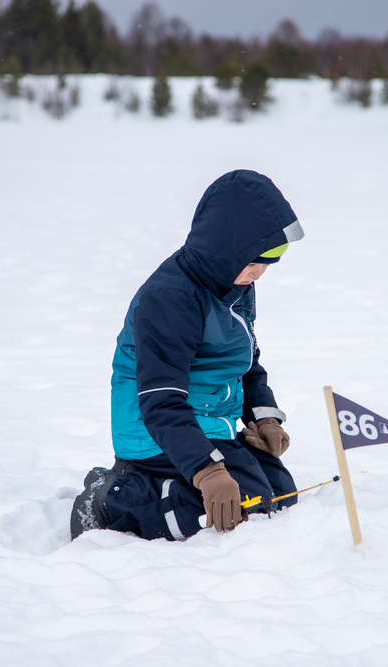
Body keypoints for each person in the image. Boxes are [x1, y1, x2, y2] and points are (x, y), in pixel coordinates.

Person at [70, 170, 304, 541]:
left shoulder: (233, 284)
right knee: (244, 505)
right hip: (154, 429)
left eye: (268, 264)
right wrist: (206, 470)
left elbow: (244, 363)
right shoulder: (170, 299)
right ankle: (114, 500)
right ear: (227, 248)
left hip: (209, 422)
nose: (259, 274)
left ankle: (176, 479)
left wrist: (263, 418)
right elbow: (160, 400)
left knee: (279, 493)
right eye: (254, 261)